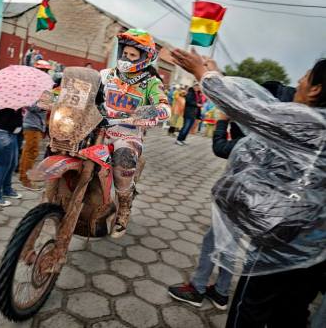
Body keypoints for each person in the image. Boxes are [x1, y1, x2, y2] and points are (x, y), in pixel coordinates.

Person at [172, 48, 326, 328]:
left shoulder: (311, 124)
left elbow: (252, 109)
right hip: (313, 252)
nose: (299, 82)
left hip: (283, 245)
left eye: (305, 77)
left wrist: (203, 74)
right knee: (291, 315)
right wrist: (214, 73)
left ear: (316, 89)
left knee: (250, 312)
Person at [168, 112, 244, 310]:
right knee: (227, 242)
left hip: (238, 195)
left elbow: (221, 147)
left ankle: (198, 289)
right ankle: (220, 291)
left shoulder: (260, 134)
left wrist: (222, 121)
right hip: (247, 197)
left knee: (218, 242)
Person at [98, 29, 170, 238]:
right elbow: (85, 88)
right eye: (125, 53)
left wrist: (139, 113)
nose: (126, 58)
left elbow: (164, 108)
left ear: (144, 58)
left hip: (127, 134)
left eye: (132, 55)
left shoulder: (151, 83)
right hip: (98, 128)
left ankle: (123, 210)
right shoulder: (106, 75)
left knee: (123, 160)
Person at [18, 60, 52, 190]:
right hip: (32, 123)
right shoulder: (32, 87)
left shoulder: (45, 87)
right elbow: (30, 105)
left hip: (40, 124)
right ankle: (24, 178)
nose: (45, 74)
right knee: (30, 151)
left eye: (47, 71)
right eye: (43, 71)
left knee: (33, 151)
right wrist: (44, 106)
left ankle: (25, 174)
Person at [0, 108, 24, 206]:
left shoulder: (15, 101)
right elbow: (5, 120)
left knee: (12, 164)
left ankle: (7, 190)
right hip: (3, 135)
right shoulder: (6, 102)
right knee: (2, 167)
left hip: (12, 135)